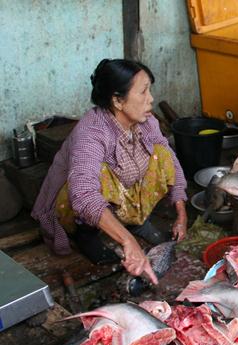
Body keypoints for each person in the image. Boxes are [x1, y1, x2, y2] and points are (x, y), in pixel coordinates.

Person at [32, 59, 188, 284]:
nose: (151, 99)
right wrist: (128, 242)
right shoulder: (92, 133)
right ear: (117, 100)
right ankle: (85, 234)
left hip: (121, 194)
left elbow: (170, 162)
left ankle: (135, 219)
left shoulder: (146, 122)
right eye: (143, 92)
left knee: (162, 154)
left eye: (150, 90)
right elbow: (83, 195)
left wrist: (181, 213)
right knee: (99, 174)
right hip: (71, 204)